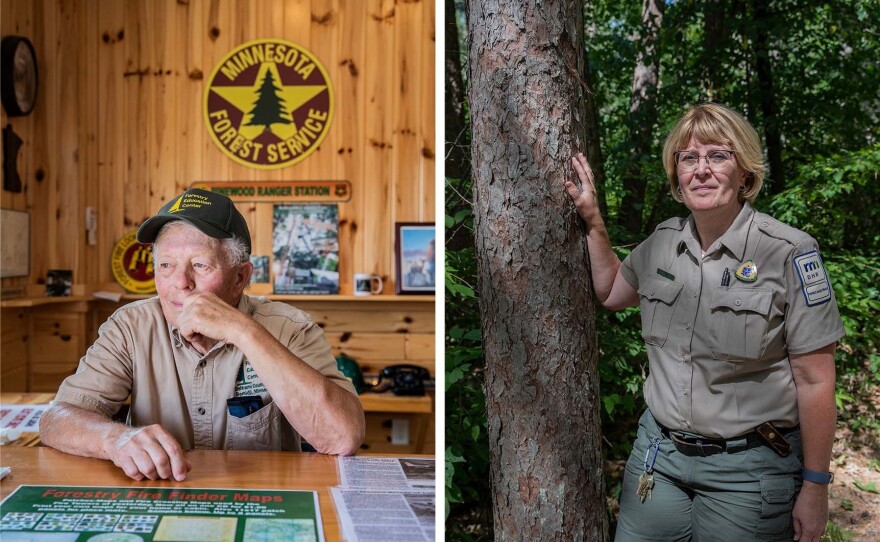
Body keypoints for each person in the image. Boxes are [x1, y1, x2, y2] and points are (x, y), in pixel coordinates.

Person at [563, 103, 843, 542]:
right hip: (660, 458)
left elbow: (815, 380)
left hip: (749, 472)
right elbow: (612, 292)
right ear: (676, 174)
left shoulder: (788, 252)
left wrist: (816, 485)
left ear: (745, 172)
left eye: (718, 155)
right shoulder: (663, 242)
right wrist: (593, 219)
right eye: (688, 158)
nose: (702, 169)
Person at [40, 188, 365, 482]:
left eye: (200, 265)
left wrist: (243, 330)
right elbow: (57, 420)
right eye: (166, 265)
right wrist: (116, 440)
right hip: (159, 500)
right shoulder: (130, 327)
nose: (180, 282)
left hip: (262, 501)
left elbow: (343, 436)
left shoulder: (290, 328)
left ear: (240, 277)